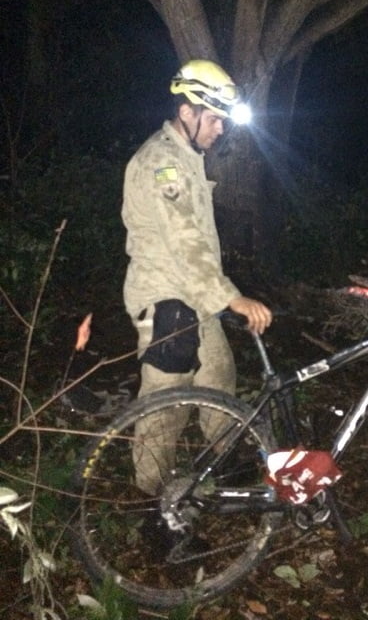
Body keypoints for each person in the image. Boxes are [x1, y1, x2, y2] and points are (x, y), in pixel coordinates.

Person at [122, 59, 272, 495]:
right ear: (187, 112)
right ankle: (150, 498)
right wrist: (232, 298)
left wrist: (217, 296)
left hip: (196, 297)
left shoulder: (188, 159)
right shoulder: (161, 162)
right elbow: (185, 241)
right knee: (165, 402)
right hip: (166, 297)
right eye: (215, 118)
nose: (221, 129)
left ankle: (224, 463)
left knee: (219, 376)